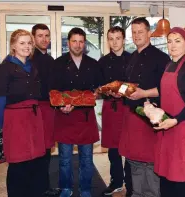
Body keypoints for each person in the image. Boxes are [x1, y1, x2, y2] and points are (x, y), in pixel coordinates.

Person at [118, 17, 170, 197]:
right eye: (134, 32)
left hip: (149, 118)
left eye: (141, 32)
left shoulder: (161, 58)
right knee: (134, 161)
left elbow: (166, 88)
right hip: (131, 116)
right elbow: (128, 84)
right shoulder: (132, 56)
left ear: (149, 33)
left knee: (150, 163)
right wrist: (120, 91)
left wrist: (144, 93)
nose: (137, 35)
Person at [0, 29, 46, 197]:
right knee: (18, 164)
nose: (27, 46)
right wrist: (4, 125)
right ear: (13, 45)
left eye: (29, 43)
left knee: (36, 162)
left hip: (34, 118)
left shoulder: (33, 67)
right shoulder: (3, 69)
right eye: (22, 43)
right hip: (15, 120)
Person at [50, 27, 103, 197]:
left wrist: (96, 92)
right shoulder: (57, 64)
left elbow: (97, 88)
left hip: (86, 117)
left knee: (86, 158)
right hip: (64, 115)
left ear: (84, 43)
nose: (78, 45)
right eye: (74, 41)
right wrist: (61, 106)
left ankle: (85, 189)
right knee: (65, 159)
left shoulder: (93, 64)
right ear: (68, 43)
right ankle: (66, 188)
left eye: (81, 41)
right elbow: (53, 90)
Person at [153, 27, 185, 197]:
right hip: (165, 129)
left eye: (177, 41)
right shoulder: (169, 65)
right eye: (169, 41)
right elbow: (164, 95)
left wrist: (174, 120)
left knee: (179, 181)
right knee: (165, 178)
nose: (172, 45)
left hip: (180, 130)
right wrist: (152, 108)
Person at [98, 26, 132, 196]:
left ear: (124, 40)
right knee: (113, 148)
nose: (114, 42)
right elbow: (98, 86)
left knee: (130, 146)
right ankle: (117, 181)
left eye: (118, 38)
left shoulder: (133, 59)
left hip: (129, 107)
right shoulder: (102, 62)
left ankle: (131, 183)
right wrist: (107, 90)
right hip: (110, 107)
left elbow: (137, 83)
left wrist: (123, 90)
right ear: (108, 41)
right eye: (111, 39)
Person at [31, 24, 61, 197]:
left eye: (46, 35)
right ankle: (37, 188)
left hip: (50, 109)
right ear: (34, 38)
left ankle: (44, 187)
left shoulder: (51, 61)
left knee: (47, 150)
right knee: (36, 150)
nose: (44, 39)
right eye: (40, 35)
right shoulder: (29, 59)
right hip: (36, 110)